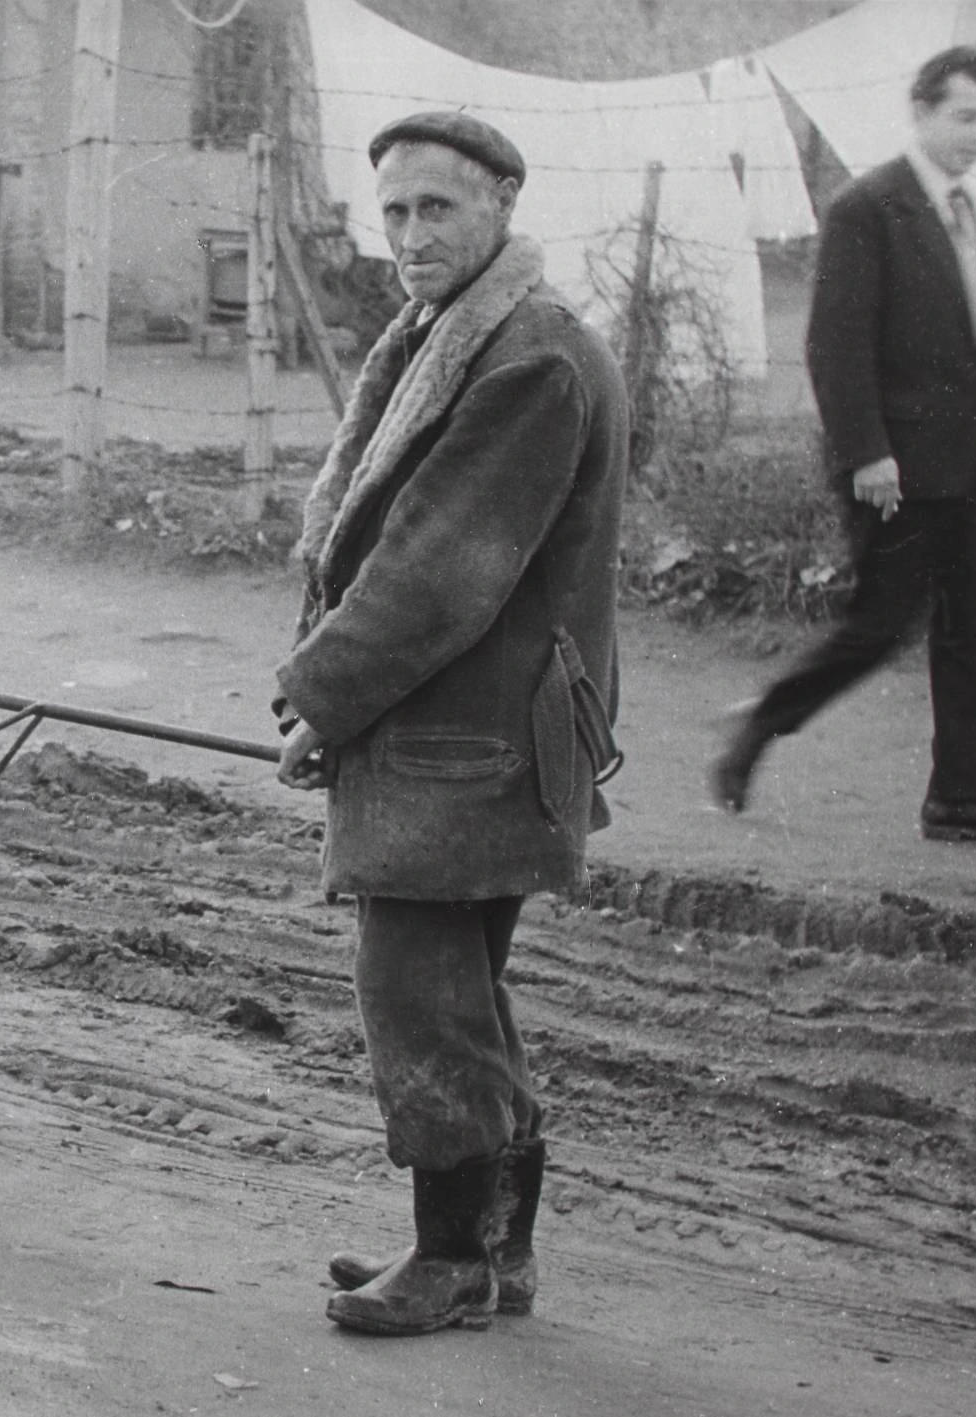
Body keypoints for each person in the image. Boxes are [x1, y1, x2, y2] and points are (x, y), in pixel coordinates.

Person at [273, 111, 628, 1336]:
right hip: (470, 725)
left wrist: (318, 696)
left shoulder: (525, 359)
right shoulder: (454, 334)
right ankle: (491, 1248)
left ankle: (451, 1263)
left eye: (438, 209)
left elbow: (438, 570)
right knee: (459, 989)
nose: (410, 236)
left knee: (416, 987)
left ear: (502, 208)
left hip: (468, 735)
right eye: (394, 213)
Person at [712, 47, 976, 842]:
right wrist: (866, 454)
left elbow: (970, 340)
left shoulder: (966, 207)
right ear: (921, 111)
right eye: (964, 116)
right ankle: (758, 725)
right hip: (897, 468)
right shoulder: (867, 206)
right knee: (881, 625)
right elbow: (835, 345)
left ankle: (963, 796)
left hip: (975, 462)